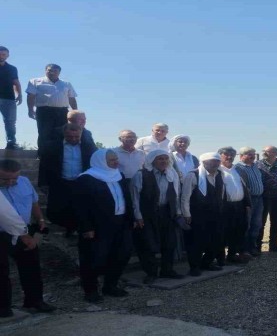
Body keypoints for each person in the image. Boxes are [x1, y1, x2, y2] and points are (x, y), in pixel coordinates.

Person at [74, 149, 133, 303]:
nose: (116, 162)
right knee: (94, 258)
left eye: (116, 159)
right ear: (101, 161)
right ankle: (91, 291)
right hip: (98, 226)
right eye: (112, 160)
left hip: (120, 222)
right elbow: (80, 206)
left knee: (121, 255)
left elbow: (126, 198)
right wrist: (86, 227)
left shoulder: (119, 175)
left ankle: (110, 285)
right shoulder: (86, 179)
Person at [0, 160, 56, 316]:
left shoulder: (24, 182)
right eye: (4, 179)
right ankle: (3, 308)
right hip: (3, 233)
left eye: (14, 178)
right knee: (1, 271)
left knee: (31, 267)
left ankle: (34, 301)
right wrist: (23, 235)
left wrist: (41, 220)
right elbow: (5, 216)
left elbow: (34, 202)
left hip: (25, 229)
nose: (10, 182)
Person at [131, 149, 184, 284]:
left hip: (167, 212)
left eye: (166, 159)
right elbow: (135, 197)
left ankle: (167, 270)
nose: (163, 161)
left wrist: (178, 212)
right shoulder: (141, 175)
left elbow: (177, 195)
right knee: (148, 244)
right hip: (148, 214)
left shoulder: (172, 174)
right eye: (160, 159)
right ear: (152, 160)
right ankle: (151, 273)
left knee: (170, 243)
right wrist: (138, 216)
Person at [38, 123, 97, 235]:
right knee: (58, 208)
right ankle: (66, 226)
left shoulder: (89, 147)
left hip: (81, 182)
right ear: (64, 134)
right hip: (60, 182)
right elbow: (44, 165)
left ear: (81, 134)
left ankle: (77, 227)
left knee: (81, 207)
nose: (73, 139)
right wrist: (43, 182)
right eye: (70, 136)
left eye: (76, 137)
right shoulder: (53, 146)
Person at [181, 152, 229, 275]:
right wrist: (186, 214)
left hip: (216, 214)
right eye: (212, 161)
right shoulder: (192, 175)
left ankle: (206, 263)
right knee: (196, 241)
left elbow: (221, 193)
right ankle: (194, 267)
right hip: (197, 215)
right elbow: (185, 197)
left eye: (217, 161)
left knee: (216, 240)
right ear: (204, 162)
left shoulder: (220, 174)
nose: (215, 164)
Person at [26, 64, 78, 149]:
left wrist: (75, 112)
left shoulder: (66, 84)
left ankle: (60, 153)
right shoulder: (35, 81)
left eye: (55, 71)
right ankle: (43, 153)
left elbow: (72, 98)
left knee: (62, 133)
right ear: (45, 70)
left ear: (59, 72)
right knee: (44, 133)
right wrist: (30, 110)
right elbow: (30, 96)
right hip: (44, 111)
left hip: (62, 112)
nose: (52, 72)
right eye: (49, 70)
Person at [219, 146, 251, 264]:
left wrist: (247, 204)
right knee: (223, 232)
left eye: (232, 155)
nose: (229, 157)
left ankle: (232, 255)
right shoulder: (217, 170)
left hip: (239, 206)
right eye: (226, 154)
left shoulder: (237, 170)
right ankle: (220, 258)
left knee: (238, 231)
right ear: (220, 156)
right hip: (224, 206)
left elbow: (245, 187)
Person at [256, 146, 277, 252]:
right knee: (260, 223)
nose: (264, 153)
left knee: (276, 223)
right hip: (262, 198)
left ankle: (273, 246)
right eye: (264, 151)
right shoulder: (257, 164)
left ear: (275, 153)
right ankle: (257, 246)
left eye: (267, 151)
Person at [235, 147, 264, 256]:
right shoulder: (238, 168)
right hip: (248, 200)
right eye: (249, 154)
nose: (252, 156)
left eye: (253, 154)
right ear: (241, 156)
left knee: (256, 224)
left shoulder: (255, 166)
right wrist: (246, 202)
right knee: (246, 225)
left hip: (259, 199)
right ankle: (244, 250)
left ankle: (252, 247)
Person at [0, 46, 23, 150]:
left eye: (3, 54)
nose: (1, 56)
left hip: (8, 98)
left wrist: (19, 94)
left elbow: (16, 82)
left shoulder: (12, 68)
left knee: (10, 121)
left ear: (7, 56)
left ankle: (11, 142)